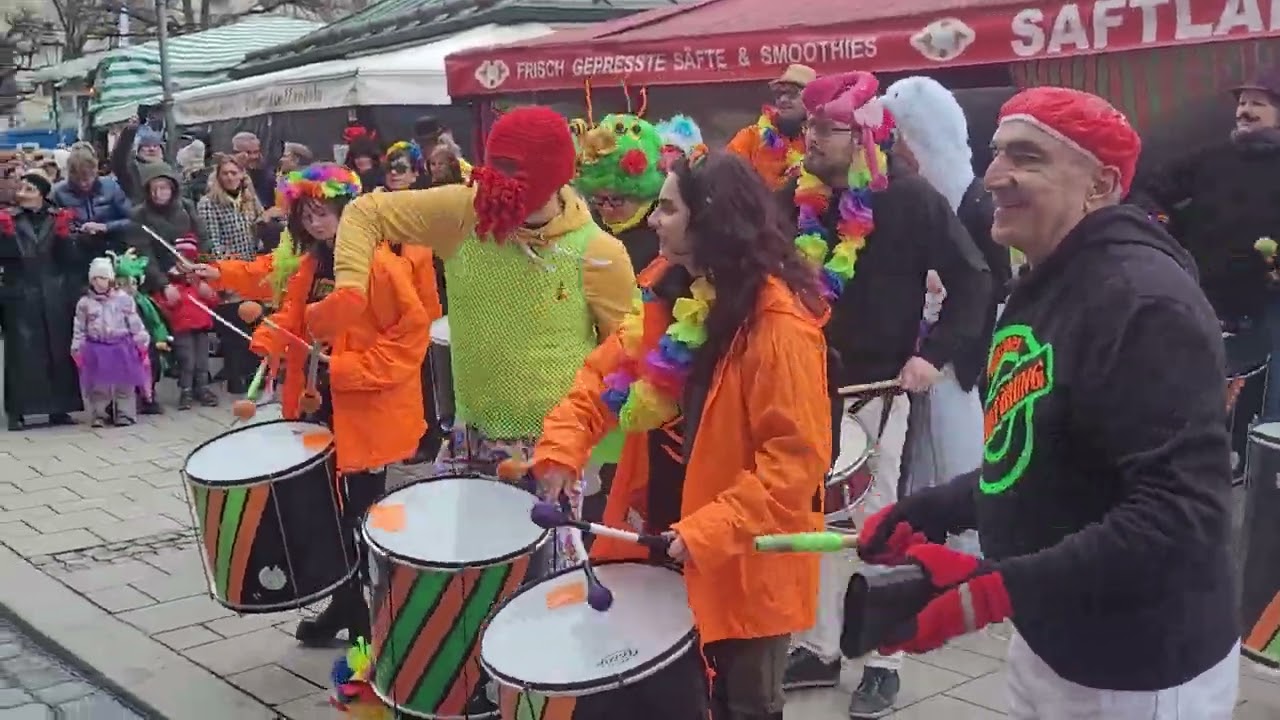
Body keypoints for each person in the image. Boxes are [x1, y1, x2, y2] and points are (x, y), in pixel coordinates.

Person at [856, 85, 1241, 719]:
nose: (995, 175)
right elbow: (1044, 450)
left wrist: (993, 591)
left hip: (1138, 670)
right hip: (1055, 638)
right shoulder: (1050, 278)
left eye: (1028, 158)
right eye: (997, 153)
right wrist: (937, 506)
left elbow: (1180, 515)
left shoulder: (1141, 302)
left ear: (1101, 184)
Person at [533, 150, 831, 720]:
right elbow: (602, 376)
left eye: (668, 208)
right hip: (659, 545)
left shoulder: (779, 328)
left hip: (741, 563)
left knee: (739, 707)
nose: (652, 219)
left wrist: (707, 530)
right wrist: (561, 450)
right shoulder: (666, 295)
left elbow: (794, 463)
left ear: (712, 219)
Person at [308, 106, 634, 560]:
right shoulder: (466, 212)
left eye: (516, 185)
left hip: (550, 451)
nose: (500, 198)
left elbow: (624, 357)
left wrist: (593, 451)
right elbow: (365, 213)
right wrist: (350, 288)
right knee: (453, 573)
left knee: (538, 586)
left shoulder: (599, 253)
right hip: (468, 434)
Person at [777, 71, 990, 719]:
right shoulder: (791, 196)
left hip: (880, 390)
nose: (808, 137)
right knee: (811, 519)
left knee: (875, 520)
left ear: (865, 134)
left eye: (824, 128)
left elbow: (975, 281)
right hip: (803, 385)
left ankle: (884, 657)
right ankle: (817, 645)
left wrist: (931, 356)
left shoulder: (912, 200)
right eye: (807, 125)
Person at [199, 163, 429, 645]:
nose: (315, 224)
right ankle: (345, 608)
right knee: (320, 517)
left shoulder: (381, 267)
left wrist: (346, 370)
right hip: (317, 406)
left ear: (349, 212)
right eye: (307, 216)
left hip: (366, 411)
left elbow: (411, 338)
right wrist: (269, 337)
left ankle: (369, 617)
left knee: (359, 521)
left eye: (324, 214)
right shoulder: (312, 264)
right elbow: (295, 316)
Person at [882, 76, 1009, 495]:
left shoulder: (977, 205)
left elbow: (993, 283)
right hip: (922, 355)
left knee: (957, 452)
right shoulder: (914, 199)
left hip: (961, 359)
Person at [375, 141, 446, 464]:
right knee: (403, 381)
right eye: (390, 167)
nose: (394, 174)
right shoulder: (380, 204)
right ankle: (409, 437)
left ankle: (430, 440)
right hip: (394, 310)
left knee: (426, 382)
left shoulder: (425, 207)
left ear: (416, 173)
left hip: (426, 307)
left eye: (401, 168)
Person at [0, 170, 84, 430]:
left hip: (54, 290)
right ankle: (19, 410)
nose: (22, 191)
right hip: (20, 290)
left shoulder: (57, 217)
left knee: (57, 350)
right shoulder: (8, 218)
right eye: (21, 186)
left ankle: (59, 408)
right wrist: (6, 237)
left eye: (29, 188)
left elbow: (70, 259)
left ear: (42, 194)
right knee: (21, 354)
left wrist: (65, 236)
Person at [127, 160, 211, 413]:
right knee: (179, 342)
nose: (159, 193)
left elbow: (203, 241)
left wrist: (203, 274)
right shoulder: (140, 215)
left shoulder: (185, 208)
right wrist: (163, 284)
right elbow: (145, 253)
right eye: (154, 188)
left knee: (202, 337)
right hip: (163, 283)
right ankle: (176, 388)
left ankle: (201, 385)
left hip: (192, 278)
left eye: (163, 187)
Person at [198, 154, 264, 395]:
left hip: (253, 270)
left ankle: (253, 374)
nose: (229, 177)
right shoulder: (209, 203)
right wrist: (221, 273)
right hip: (228, 270)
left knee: (254, 324)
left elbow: (260, 223)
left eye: (234, 173)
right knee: (233, 327)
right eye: (225, 173)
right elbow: (211, 241)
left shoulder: (249, 199)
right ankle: (236, 378)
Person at [574, 112, 671, 273]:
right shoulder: (587, 226)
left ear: (642, 194)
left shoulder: (663, 234)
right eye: (598, 199)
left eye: (616, 200)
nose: (606, 208)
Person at [72, 257, 151, 428]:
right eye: (96, 278)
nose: (100, 282)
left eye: (104, 278)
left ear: (111, 279)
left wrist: (141, 342)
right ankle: (100, 413)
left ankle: (125, 414)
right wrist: (77, 348)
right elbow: (79, 327)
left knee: (125, 383)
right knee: (99, 385)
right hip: (97, 347)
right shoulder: (85, 303)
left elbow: (134, 322)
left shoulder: (123, 299)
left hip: (121, 345)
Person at [153, 237, 218, 410]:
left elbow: (213, 302)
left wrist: (209, 294)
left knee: (202, 361)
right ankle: (186, 390)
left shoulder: (199, 281)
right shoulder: (169, 283)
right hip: (182, 328)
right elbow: (161, 306)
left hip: (202, 326)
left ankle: (202, 388)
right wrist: (170, 303)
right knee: (186, 360)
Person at [728, 64, 813, 190]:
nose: (783, 100)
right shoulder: (751, 137)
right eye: (779, 93)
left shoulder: (816, 140)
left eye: (792, 94)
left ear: (812, 100)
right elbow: (726, 174)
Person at [50, 145, 133, 258]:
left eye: (86, 179)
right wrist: (76, 231)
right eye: (77, 179)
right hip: (76, 254)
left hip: (111, 249)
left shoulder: (110, 186)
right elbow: (53, 227)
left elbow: (133, 221)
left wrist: (105, 227)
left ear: (95, 171)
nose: (82, 184)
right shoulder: (58, 192)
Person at [110, 118, 166, 203]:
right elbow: (119, 158)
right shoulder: (132, 170)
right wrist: (129, 132)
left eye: (155, 146)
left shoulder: (170, 170)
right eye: (146, 146)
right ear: (139, 150)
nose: (151, 149)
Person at [232, 132, 275, 210]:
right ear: (236, 153)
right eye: (248, 152)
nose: (254, 156)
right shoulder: (227, 175)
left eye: (256, 152)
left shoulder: (268, 174)